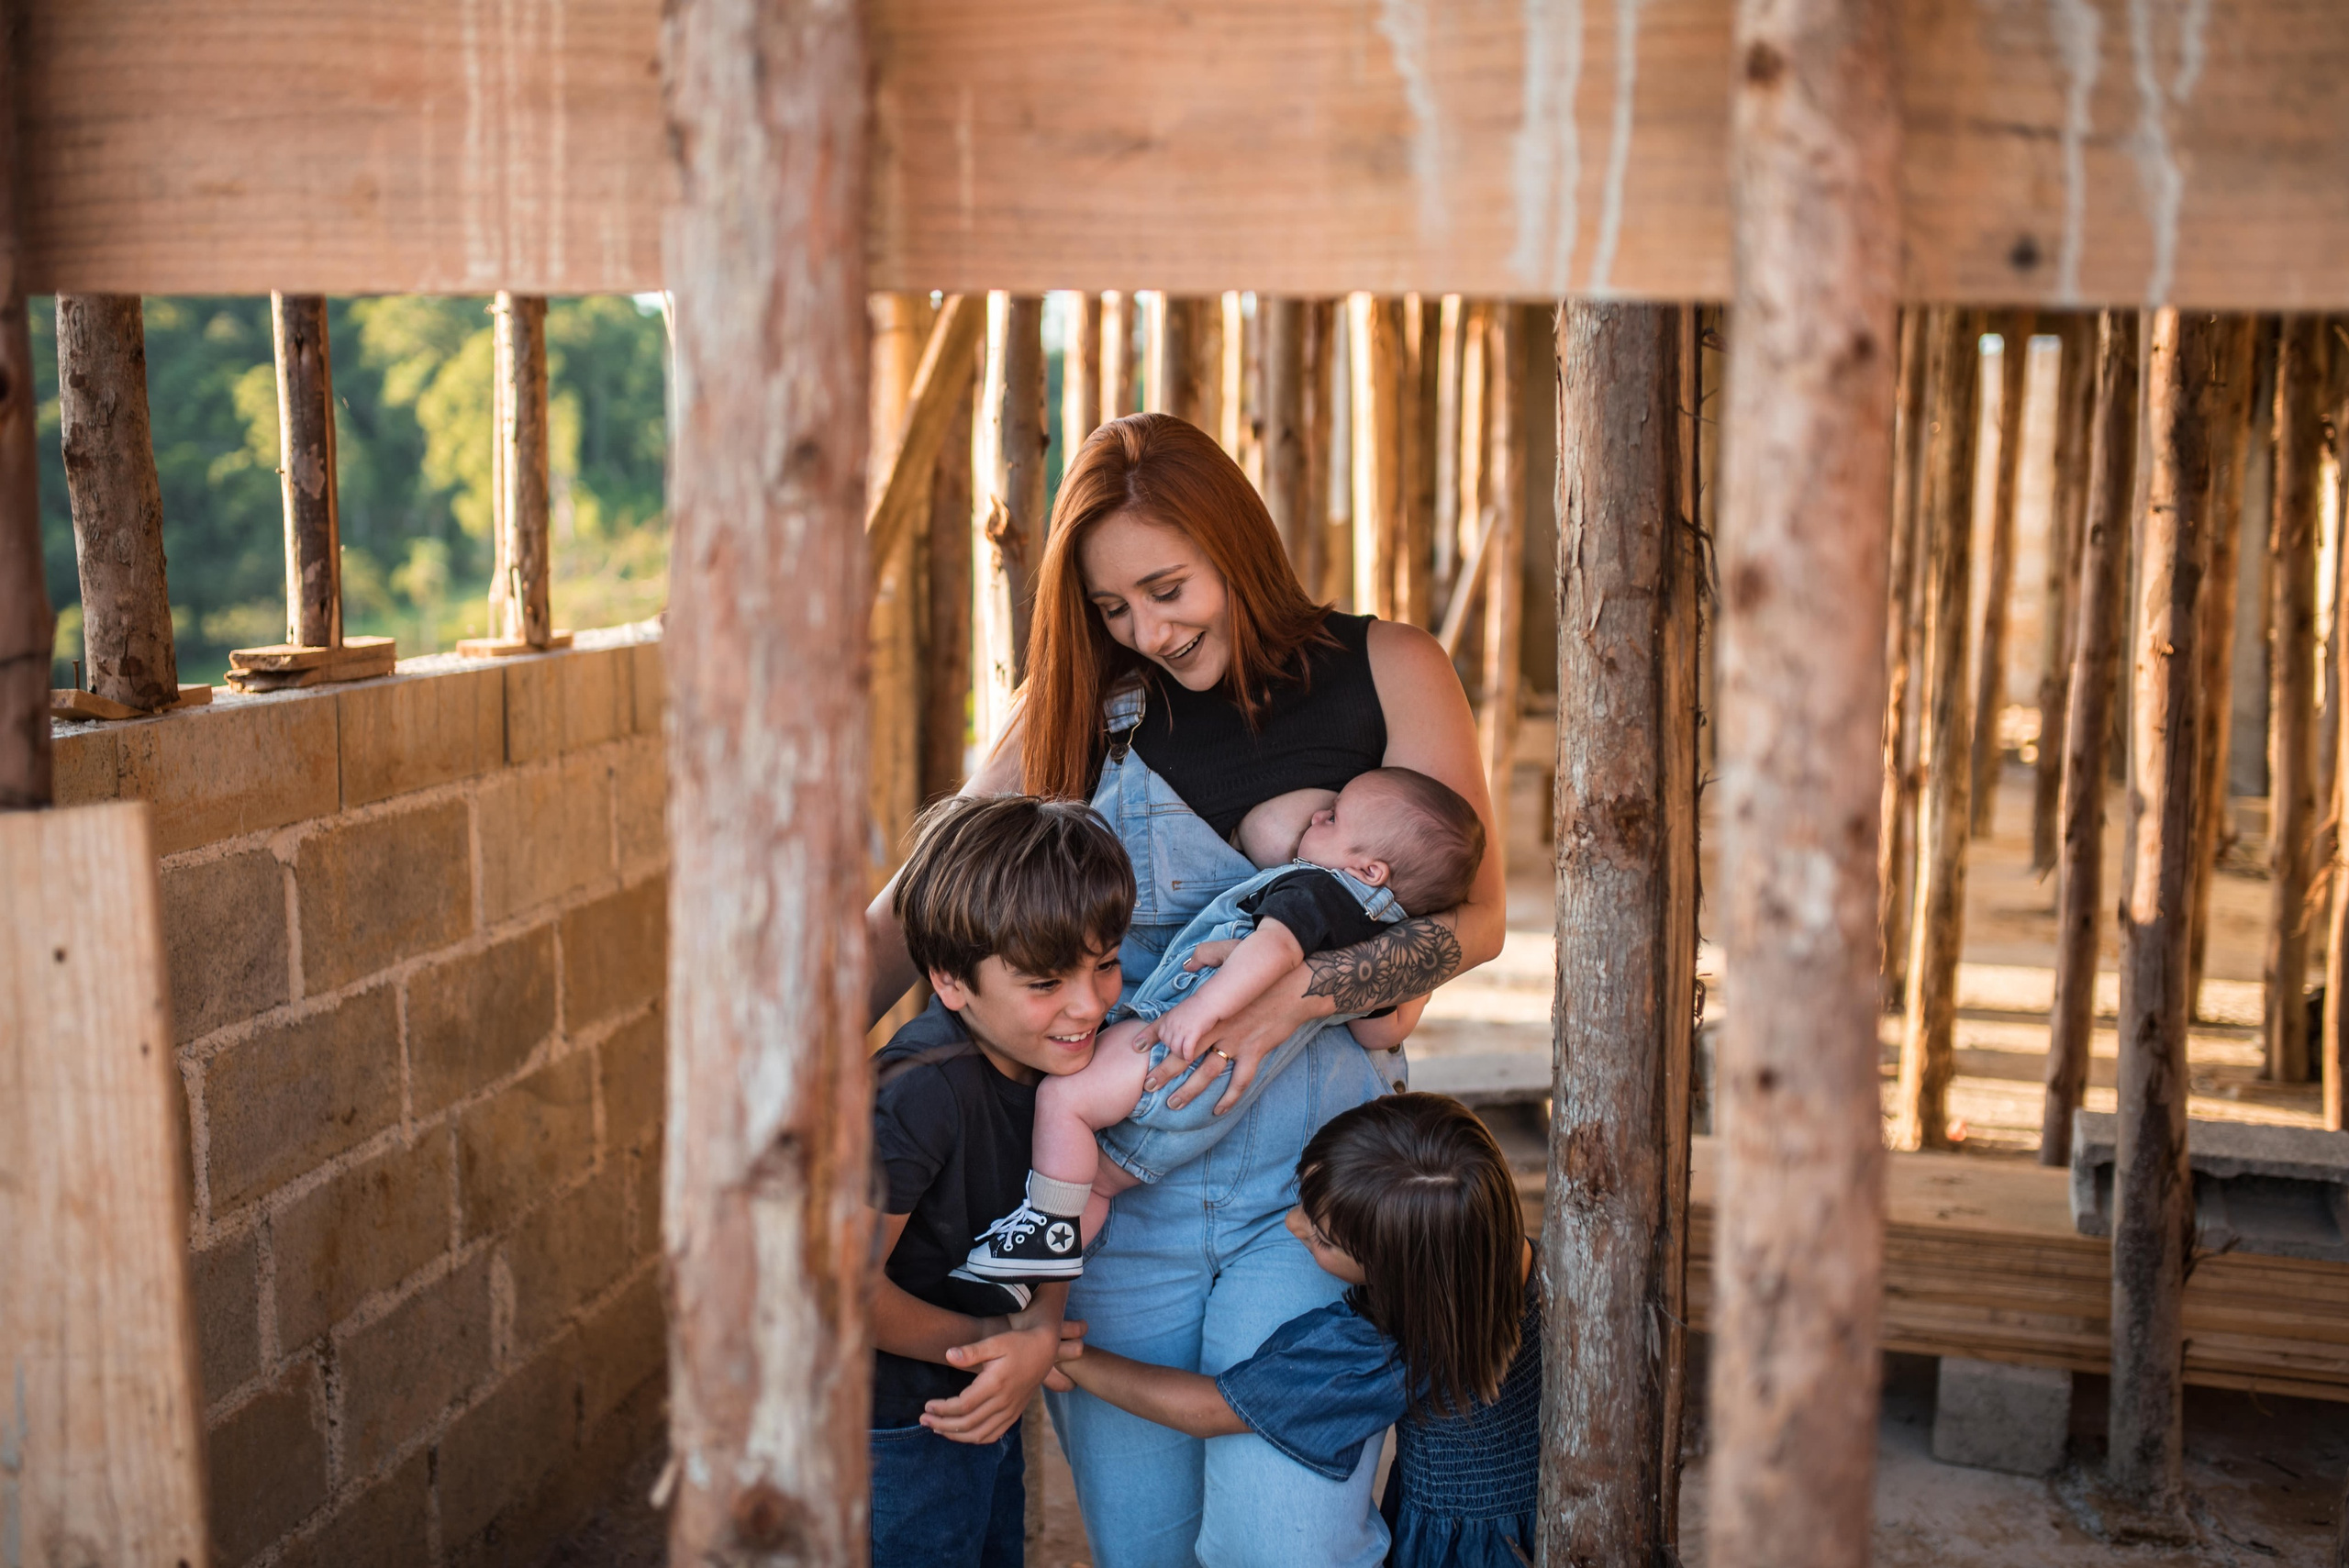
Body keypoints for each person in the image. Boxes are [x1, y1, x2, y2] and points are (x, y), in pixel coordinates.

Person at [867, 413, 1507, 1568]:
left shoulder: (1391, 666)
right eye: (1112, 607)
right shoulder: (1076, 702)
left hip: (1313, 1200)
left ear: (1236, 544)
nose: (1149, 632)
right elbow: (920, 908)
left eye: (1167, 589)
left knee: (1293, 1544)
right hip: (1116, 1202)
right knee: (1145, 1545)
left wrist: (1293, 992)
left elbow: (1477, 920)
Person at [957, 767, 1485, 1279]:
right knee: (1096, 1183)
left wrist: (1199, 1010)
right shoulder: (1375, 936)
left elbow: (1273, 948)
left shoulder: (1319, 889)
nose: (1318, 814)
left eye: (1334, 817)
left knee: (1062, 1099)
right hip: (1216, 1098)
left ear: (1370, 872)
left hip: (1183, 1051)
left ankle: (1046, 1229)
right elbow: (1379, 1031)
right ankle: (1036, 1269)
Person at [1046, 1094, 1541, 1568]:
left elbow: (1210, 1410)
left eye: (1323, 1239)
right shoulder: (1509, 1259)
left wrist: (1070, 1356)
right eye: (1302, 1198)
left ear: (1394, 1273)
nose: (1292, 1224)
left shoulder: (1386, 1348)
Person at [866, 795, 1134, 1568]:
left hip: (986, 1400)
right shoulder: (918, 1095)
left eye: (1106, 963)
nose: (1089, 1003)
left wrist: (1039, 1330)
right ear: (951, 979)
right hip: (892, 1429)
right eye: (1045, 982)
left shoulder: (1056, 1063)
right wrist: (997, 1343)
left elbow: (1052, 1214)